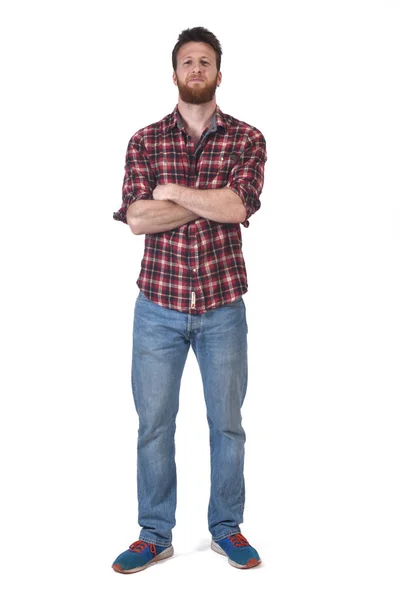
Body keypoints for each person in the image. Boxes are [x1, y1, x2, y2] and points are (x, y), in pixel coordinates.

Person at [112, 26, 267, 573]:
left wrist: (173, 193)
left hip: (223, 307)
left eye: (205, 61)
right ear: (174, 73)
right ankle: (154, 533)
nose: (196, 69)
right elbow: (136, 219)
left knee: (226, 423)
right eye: (187, 62)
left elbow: (239, 204)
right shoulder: (144, 141)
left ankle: (227, 528)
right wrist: (214, 201)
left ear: (219, 74)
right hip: (157, 307)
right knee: (154, 423)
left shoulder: (247, 139)